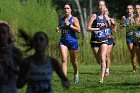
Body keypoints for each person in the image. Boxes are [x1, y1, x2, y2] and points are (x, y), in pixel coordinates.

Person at [56, 1, 80, 84]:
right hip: (63, 41)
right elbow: (61, 26)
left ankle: (76, 73)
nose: (66, 10)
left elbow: (79, 30)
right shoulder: (62, 19)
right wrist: (58, 28)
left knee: (73, 61)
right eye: (65, 8)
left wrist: (70, 25)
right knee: (63, 59)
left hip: (72, 42)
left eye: (68, 8)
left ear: (71, 10)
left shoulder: (74, 19)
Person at [87, 0, 108, 83]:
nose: (101, 7)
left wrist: (111, 26)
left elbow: (111, 26)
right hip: (95, 41)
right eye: (100, 5)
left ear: (105, 7)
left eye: (102, 5)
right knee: (99, 60)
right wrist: (98, 28)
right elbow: (88, 28)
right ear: (98, 7)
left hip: (104, 40)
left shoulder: (106, 17)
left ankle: (101, 78)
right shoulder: (94, 16)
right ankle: (103, 61)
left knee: (102, 58)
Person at [0, 22, 22, 93]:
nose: (1, 35)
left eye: (4, 33)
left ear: (8, 35)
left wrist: (9, 66)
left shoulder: (15, 51)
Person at [122, 4, 137, 73]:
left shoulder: (136, 17)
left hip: (137, 37)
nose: (129, 10)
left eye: (130, 9)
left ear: (133, 10)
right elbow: (121, 27)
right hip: (129, 37)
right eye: (128, 9)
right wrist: (123, 24)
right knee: (132, 53)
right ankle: (134, 68)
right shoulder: (125, 18)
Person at [104, 7, 117, 76]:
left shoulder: (110, 19)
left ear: (108, 12)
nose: (104, 12)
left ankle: (107, 70)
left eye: (106, 11)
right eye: (103, 11)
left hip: (109, 38)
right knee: (103, 55)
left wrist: (114, 28)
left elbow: (115, 25)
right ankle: (104, 67)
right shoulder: (100, 19)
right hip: (102, 39)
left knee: (107, 53)